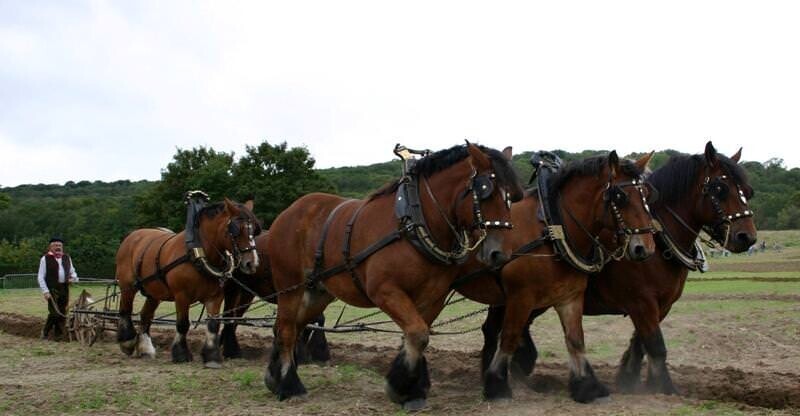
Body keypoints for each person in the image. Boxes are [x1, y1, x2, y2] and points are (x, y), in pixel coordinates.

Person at [37, 237, 78, 340]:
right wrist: (45, 291)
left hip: (64, 288)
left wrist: (74, 278)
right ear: (50, 247)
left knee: (63, 312)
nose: (58, 247)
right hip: (52, 289)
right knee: (54, 313)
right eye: (55, 245)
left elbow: (72, 271)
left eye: (60, 245)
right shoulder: (45, 259)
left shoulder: (66, 257)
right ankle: (45, 332)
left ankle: (58, 335)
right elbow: (40, 276)